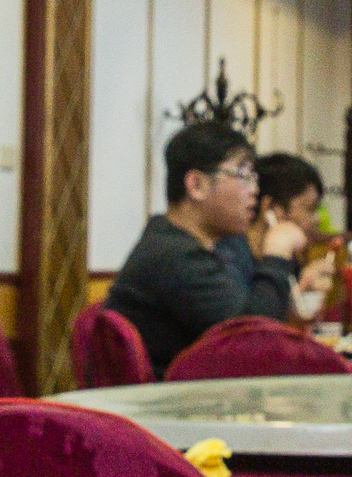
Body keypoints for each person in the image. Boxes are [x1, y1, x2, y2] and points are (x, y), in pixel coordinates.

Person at [106, 122, 313, 374]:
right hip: (175, 397)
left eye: (254, 177)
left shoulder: (176, 244)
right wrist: (277, 253)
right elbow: (256, 345)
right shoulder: (175, 255)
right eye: (243, 175)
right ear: (197, 185)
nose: (255, 190)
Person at [252, 151, 338, 326]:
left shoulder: (293, 262)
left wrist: (305, 299)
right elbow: (252, 331)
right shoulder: (232, 261)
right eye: (310, 208)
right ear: (271, 207)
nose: (317, 219)